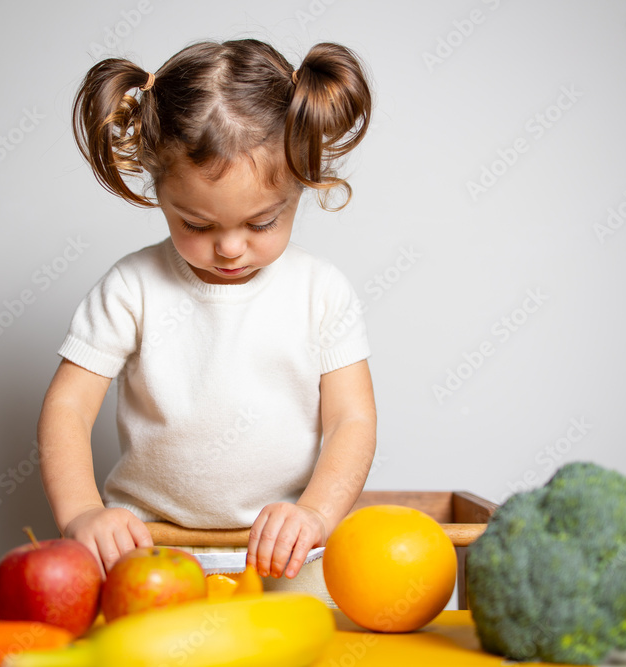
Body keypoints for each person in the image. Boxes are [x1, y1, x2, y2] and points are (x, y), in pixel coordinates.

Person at [37, 38, 377, 583]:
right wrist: (81, 513)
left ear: (301, 185)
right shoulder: (132, 287)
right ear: (159, 188)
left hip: (287, 557)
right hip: (146, 554)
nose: (230, 248)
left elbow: (351, 420)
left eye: (262, 222)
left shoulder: (322, 291)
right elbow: (67, 409)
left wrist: (314, 514)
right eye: (196, 224)